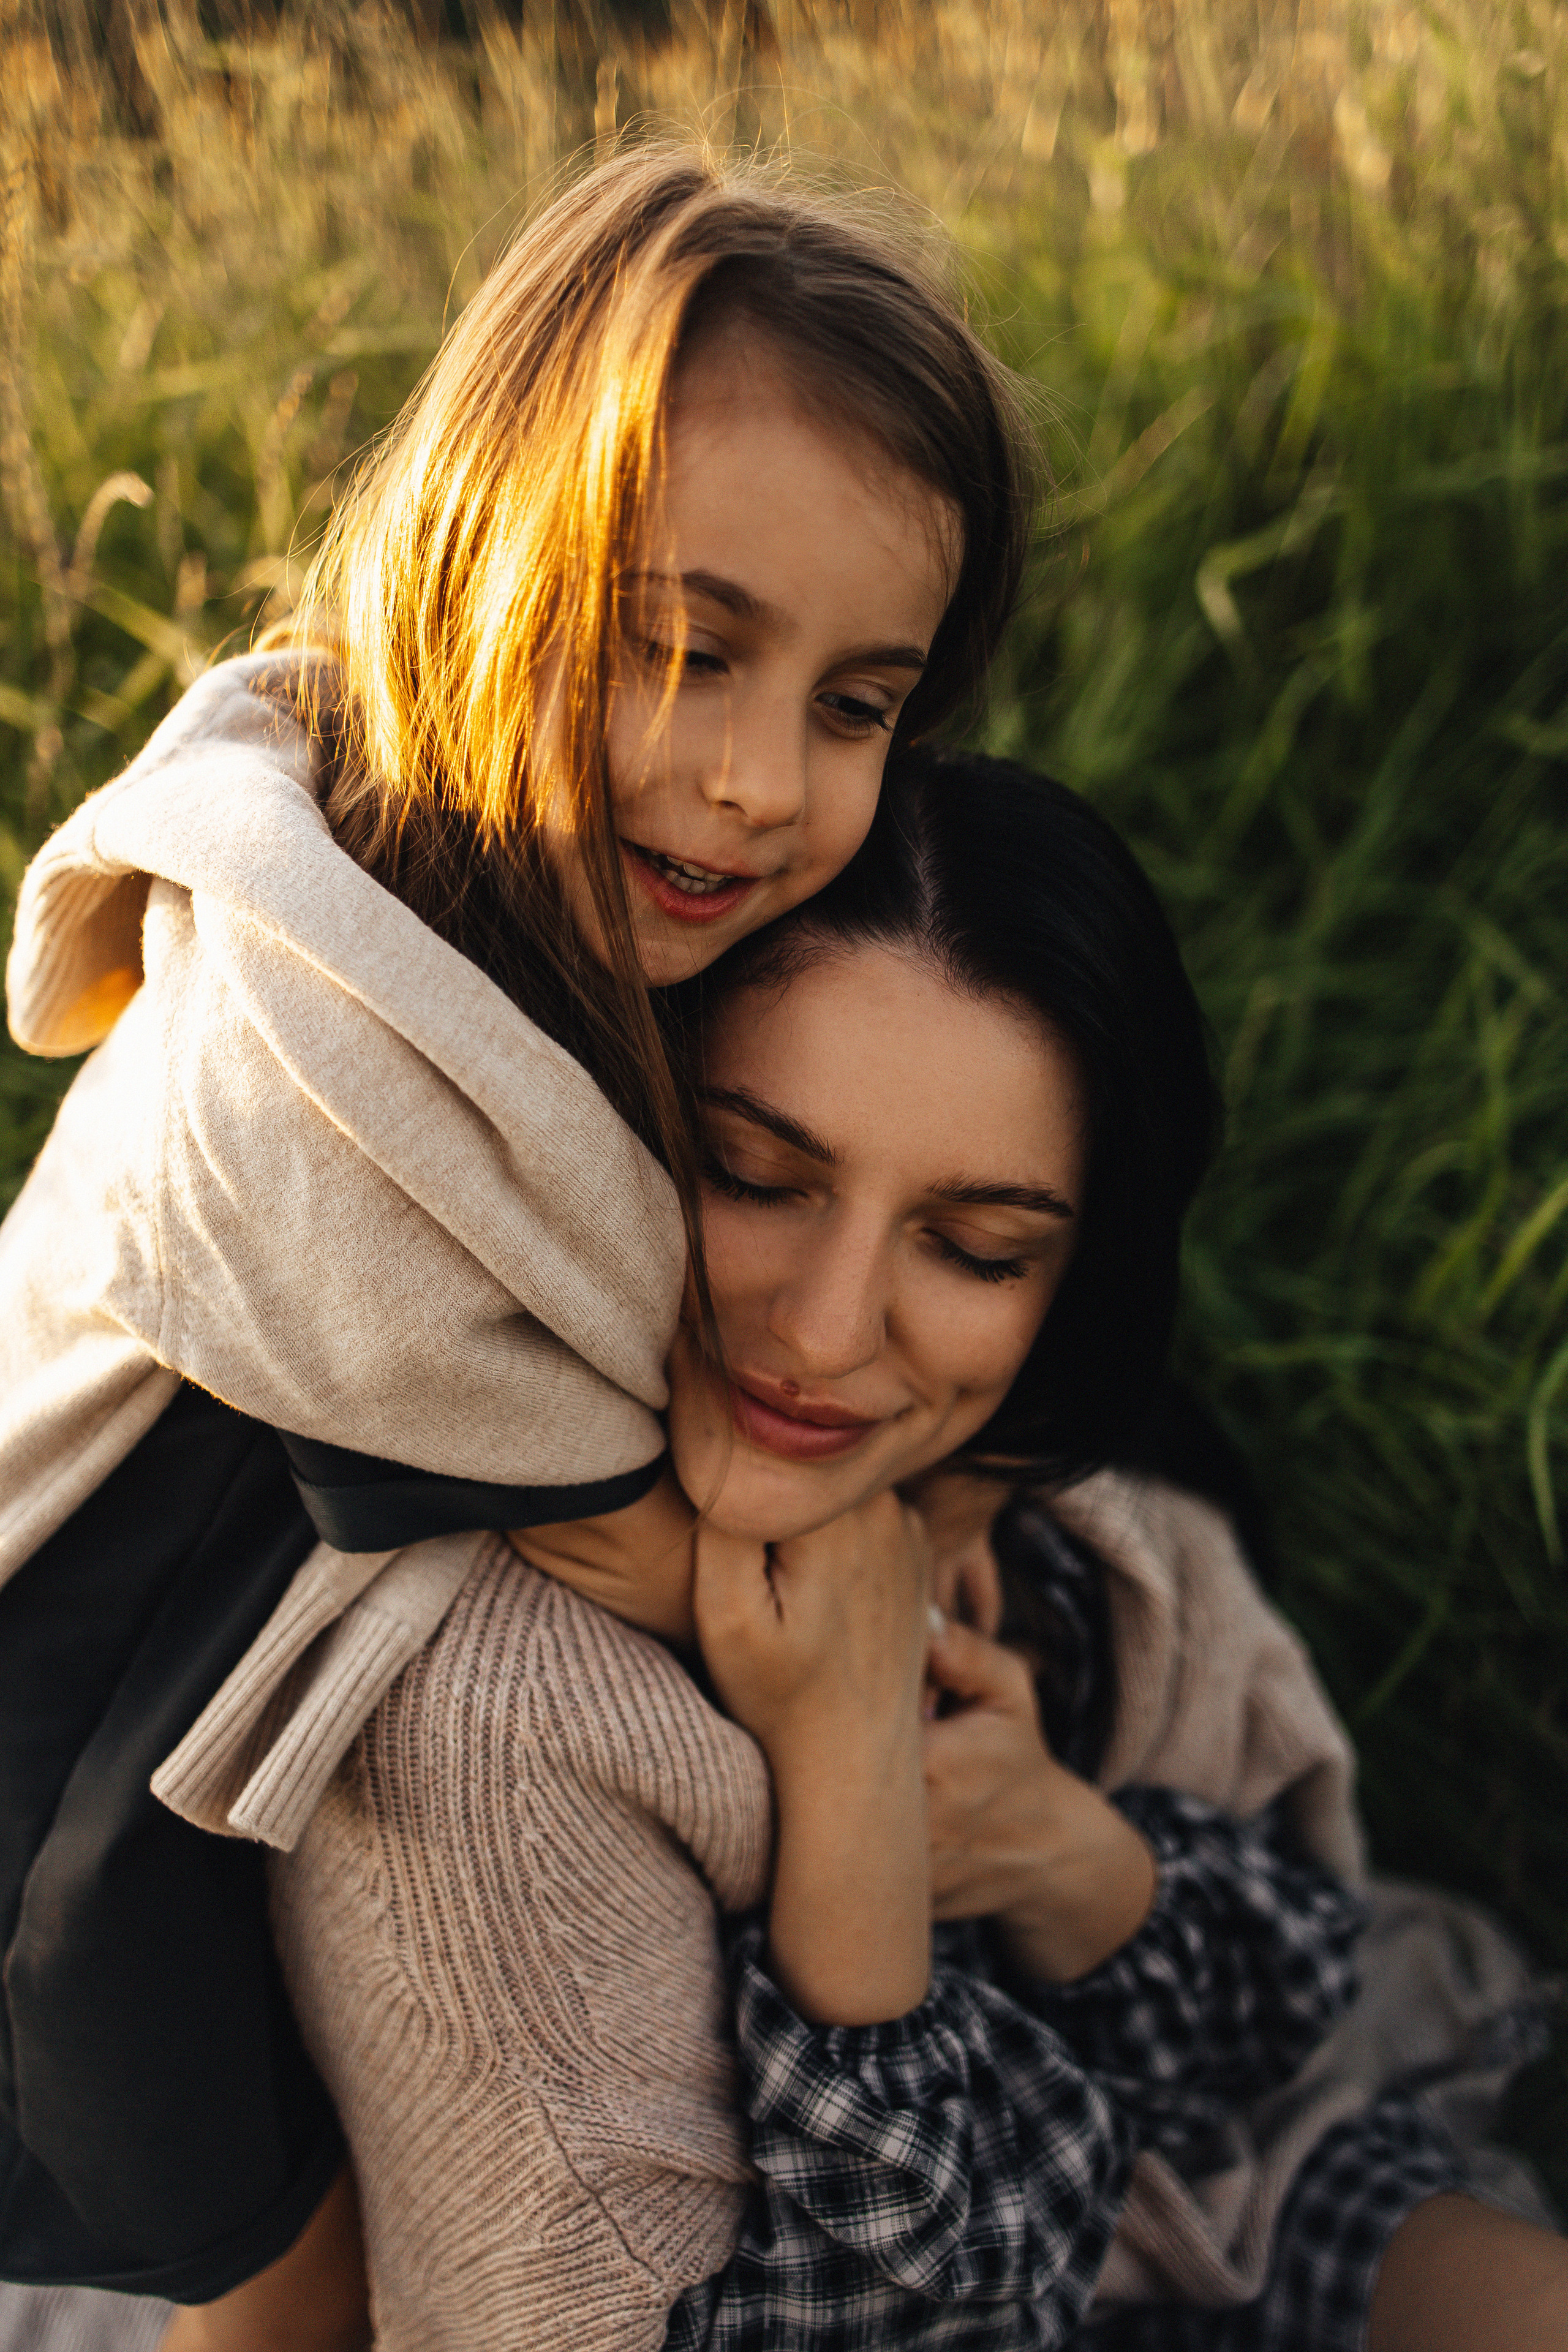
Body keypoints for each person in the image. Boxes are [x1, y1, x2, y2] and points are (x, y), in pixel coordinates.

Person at [0, 148, 1035, 2348]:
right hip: (74, 1790)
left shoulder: (543, 891)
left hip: (237, 1694)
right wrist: (804, 1623)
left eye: (855, 705)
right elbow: (578, 1491)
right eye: (684, 651)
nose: (758, 783)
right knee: (269, 2270)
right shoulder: (285, 1053)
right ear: (489, 560)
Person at [244, 745, 1567, 2346]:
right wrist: (846, 1757)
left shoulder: (1059, 1525)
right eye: (753, 1171)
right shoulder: (500, 1723)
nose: (823, 1327)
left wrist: (1063, 1853)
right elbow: (910, 2305)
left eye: (976, 1248)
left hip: (1195, 2196)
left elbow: (1279, 2014)